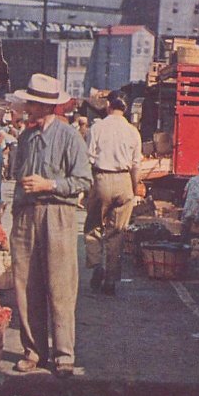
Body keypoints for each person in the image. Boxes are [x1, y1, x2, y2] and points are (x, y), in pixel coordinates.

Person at [9, 73, 92, 378]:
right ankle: (33, 351)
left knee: (60, 286)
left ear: (47, 106)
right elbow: (19, 176)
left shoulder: (69, 136)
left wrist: (49, 184)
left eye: (33, 103)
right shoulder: (26, 137)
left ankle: (63, 354)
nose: (28, 107)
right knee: (26, 286)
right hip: (27, 216)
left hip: (58, 215)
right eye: (29, 101)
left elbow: (83, 180)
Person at [84, 97, 142, 295]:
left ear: (108, 106)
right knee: (117, 232)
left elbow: (88, 160)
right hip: (124, 180)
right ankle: (110, 279)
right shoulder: (133, 131)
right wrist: (133, 190)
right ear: (125, 110)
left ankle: (96, 265)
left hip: (101, 179)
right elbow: (136, 166)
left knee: (93, 226)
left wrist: (86, 190)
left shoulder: (97, 128)